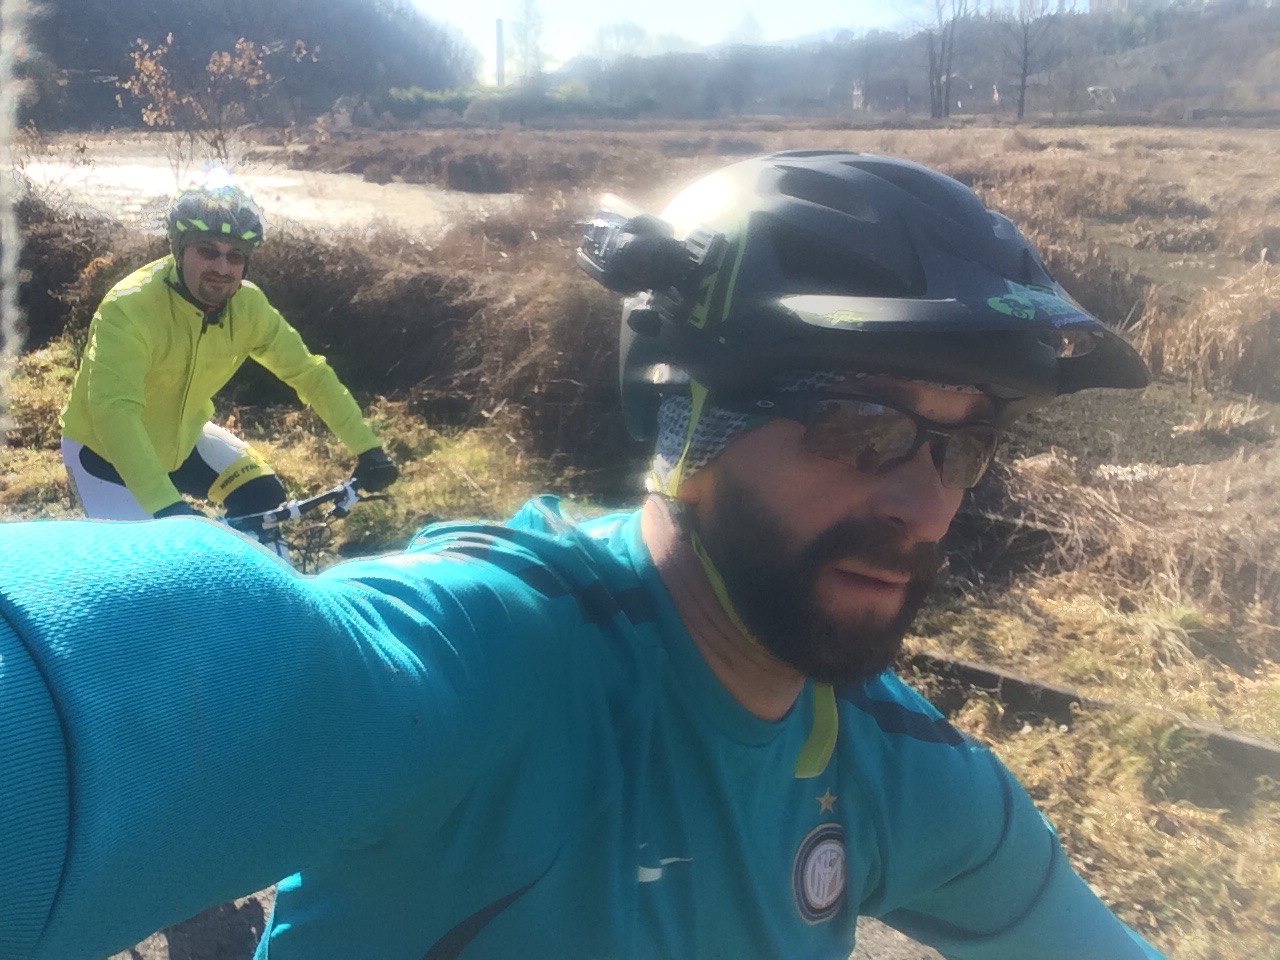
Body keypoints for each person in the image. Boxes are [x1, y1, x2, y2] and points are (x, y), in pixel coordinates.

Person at [0, 152, 1165, 959]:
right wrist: (159, 539)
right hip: (116, 450)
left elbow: (306, 370)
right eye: (863, 430)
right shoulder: (486, 661)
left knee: (251, 479)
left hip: (192, 431)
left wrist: (364, 444)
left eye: (964, 449)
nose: (920, 502)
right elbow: (229, 653)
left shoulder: (894, 772)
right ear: (689, 422)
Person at [58, 170, 399, 549]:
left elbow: (308, 373)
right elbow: (114, 412)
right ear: (179, 249)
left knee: (264, 497)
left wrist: (368, 448)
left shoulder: (248, 306)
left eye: (235, 256)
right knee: (148, 567)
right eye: (208, 250)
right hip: (104, 454)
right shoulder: (129, 308)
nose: (222, 267)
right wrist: (167, 506)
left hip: (184, 436)